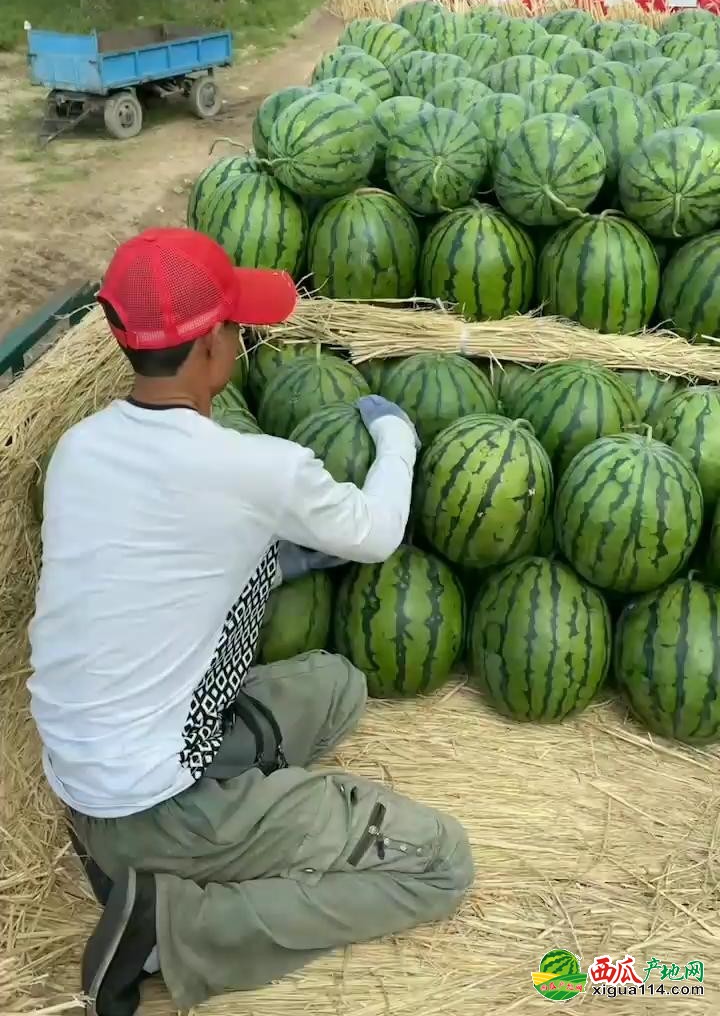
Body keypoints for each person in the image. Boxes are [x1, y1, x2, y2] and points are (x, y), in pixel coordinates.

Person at [28, 227, 473, 1016]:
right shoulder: (255, 466)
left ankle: (142, 858)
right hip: (153, 803)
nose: (242, 338)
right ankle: (173, 930)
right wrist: (394, 438)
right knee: (441, 864)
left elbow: (175, 557)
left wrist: (283, 556)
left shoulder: (78, 449)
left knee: (336, 686)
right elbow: (376, 533)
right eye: (236, 325)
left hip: (88, 780)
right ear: (209, 349)